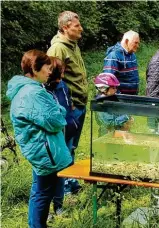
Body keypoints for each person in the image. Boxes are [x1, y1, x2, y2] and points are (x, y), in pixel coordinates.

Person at [7, 50, 73, 228]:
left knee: (41, 190)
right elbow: (57, 120)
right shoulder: (33, 93)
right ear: (35, 69)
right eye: (46, 67)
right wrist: (60, 110)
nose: (50, 72)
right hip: (44, 150)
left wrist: (57, 110)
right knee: (43, 193)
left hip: (40, 147)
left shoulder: (30, 89)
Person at [47, 11, 86, 193]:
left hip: (80, 104)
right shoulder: (58, 49)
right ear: (65, 27)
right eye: (76, 26)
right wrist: (64, 105)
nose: (81, 29)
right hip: (69, 108)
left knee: (72, 147)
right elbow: (50, 80)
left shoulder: (73, 45)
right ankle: (64, 190)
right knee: (65, 148)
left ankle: (71, 183)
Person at [43, 57, 79, 219]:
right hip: (52, 141)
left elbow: (69, 105)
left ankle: (58, 206)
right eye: (61, 72)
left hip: (68, 135)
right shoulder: (42, 91)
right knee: (49, 176)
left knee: (61, 173)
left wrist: (73, 124)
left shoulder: (63, 86)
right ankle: (47, 211)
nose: (63, 75)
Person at [103, 30, 140, 95]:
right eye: (135, 43)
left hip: (132, 98)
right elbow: (108, 80)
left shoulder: (132, 55)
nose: (137, 46)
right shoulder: (114, 56)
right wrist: (118, 96)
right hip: (121, 99)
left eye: (138, 43)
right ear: (126, 41)